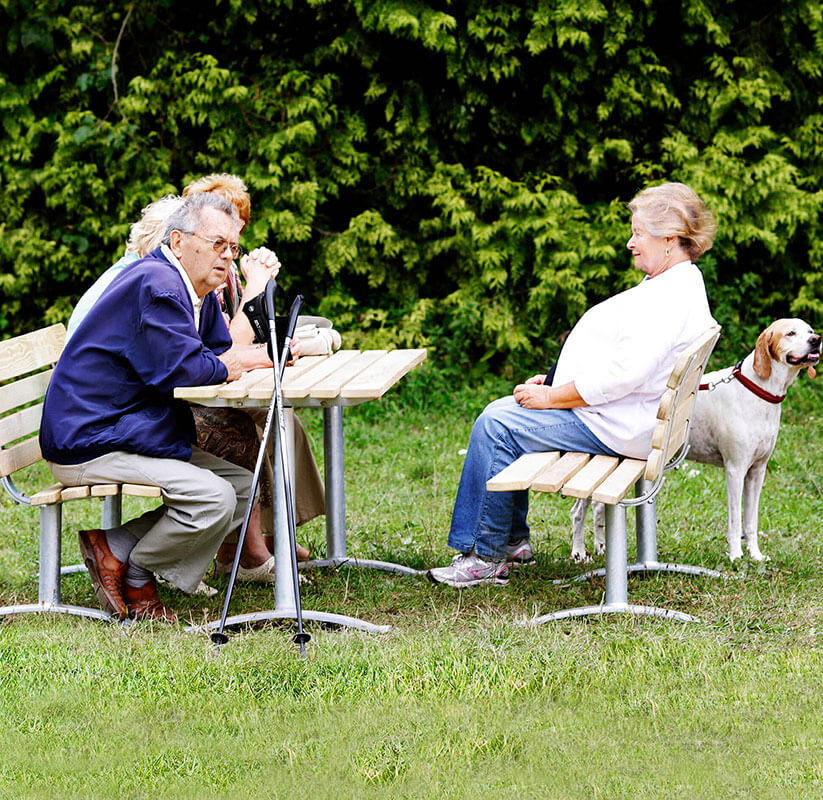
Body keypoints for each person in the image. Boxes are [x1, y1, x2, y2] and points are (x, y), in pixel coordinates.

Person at [427, 182, 718, 588]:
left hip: (617, 426)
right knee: (507, 415)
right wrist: (553, 381)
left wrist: (552, 396)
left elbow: (624, 376)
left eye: (638, 233)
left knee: (498, 424)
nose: (630, 242)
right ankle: (511, 541)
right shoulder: (681, 283)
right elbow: (627, 363)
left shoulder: (667, 298)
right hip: (628, 418)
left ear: (669, 239)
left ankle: (484, 554)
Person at [40, 192, 253, 621]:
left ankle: (115, 548)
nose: (228, 257)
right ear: (178, 242)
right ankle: (138, 573)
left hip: (128, 428)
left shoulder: (191, 290)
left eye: (233, 248)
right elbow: (182, 371)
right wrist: (224, 365)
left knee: (243, 487)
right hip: (90, 439)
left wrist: (222, 350)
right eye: (217, 244)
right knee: (213, 497)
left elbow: (216, 349)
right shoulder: (156, 284)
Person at [181, 174, 325, 580]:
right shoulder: (190, 272)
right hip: (178, 405)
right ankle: (246, 552)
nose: (235, 230)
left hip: (198, 390)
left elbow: (229, 339)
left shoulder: (223, 268)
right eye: (225, 223)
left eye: (239, 220)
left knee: (284, 419)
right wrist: (257, 288)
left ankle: (277, 530)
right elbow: (223, 345)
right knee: (253, 422)